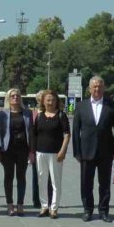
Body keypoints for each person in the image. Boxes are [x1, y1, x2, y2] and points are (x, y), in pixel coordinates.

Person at [72, 76, 114, 222]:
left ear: (104, 88)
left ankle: (103, 210)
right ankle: (87, 209)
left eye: (100, 86)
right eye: (94, 86)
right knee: (86, 182)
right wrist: (76, 151)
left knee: (105, 183)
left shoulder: (112, 106)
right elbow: (76, 130)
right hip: (86, 151)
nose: (97, 89)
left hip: (105, 151)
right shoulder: (81, 106)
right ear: (89, 89)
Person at [31, 89, 71, 219]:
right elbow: (35, 134)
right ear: (43, 101)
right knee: (42, 180)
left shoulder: (61, 116)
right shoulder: (40, 116)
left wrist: (63, 150)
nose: (50, 102)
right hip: (40, 152)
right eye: (48, 99)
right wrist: (32, 151)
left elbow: (67, 134)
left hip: (55, 153)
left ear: (56, 101)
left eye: (53, 100)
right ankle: (44, 206)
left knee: (55, 182)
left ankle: (54, 208)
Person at [0, 88, 33, 216]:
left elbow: (31, 133)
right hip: (8, 150)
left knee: (21, 177)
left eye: (17, 96)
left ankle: (20, 204)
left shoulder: (27, 113)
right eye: (12, 96)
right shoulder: (3, 114)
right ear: (8, 98)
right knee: (8, 177)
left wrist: (31, 151)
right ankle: (10, 204)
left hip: (23, 149)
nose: (15, 98)